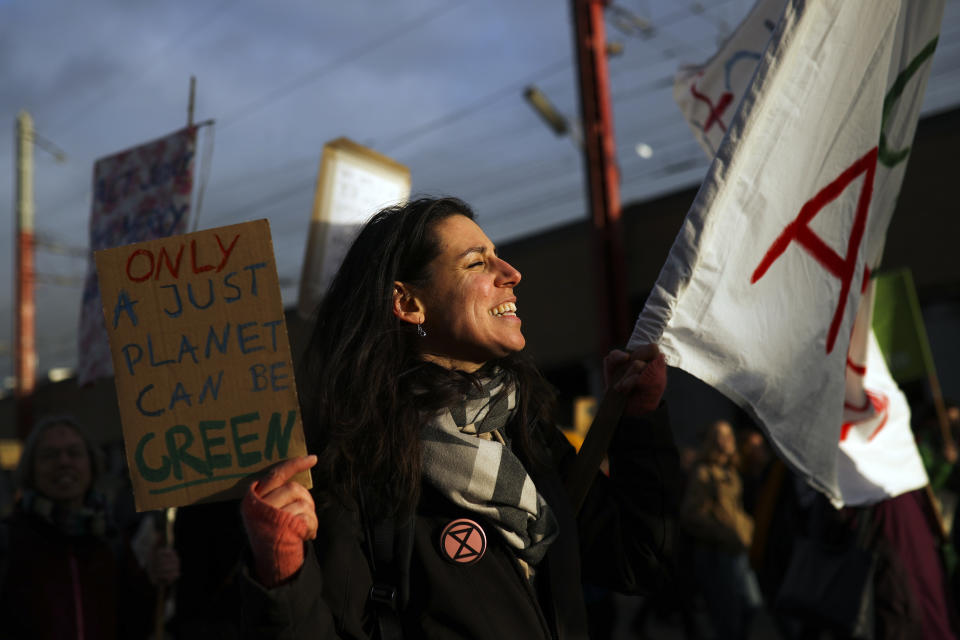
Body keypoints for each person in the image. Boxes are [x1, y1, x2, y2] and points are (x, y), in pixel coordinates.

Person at [238, 196, 680, 639]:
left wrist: (639, 421)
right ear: (409, 304)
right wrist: (283, 573)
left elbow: (640, 560)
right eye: (476, 264)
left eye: (497, 257)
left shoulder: (524, 431)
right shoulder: (352, 462)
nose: (511, 273)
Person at [0, 415, 180, 639]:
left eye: (74, 453)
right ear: (31, 470)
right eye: (49, 455)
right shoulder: (9, 540)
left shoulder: (112, 542)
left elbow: (137, 625)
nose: (64, 462)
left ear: (92, 464)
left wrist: (155, 583)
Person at [680, 420, 762, 640]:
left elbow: (736, 508)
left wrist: (745, 527)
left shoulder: (732, 470)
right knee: (727, 616)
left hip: (737, 549)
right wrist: (722, 532)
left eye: (728, 435)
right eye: (720, 435)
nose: (726, 440)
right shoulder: (704, 473)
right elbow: (691, 514)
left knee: (751, 605)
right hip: (717, 552)